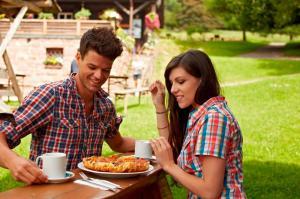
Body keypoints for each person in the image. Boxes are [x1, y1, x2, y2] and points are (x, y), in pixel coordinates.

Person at [0, 27, 135, 184]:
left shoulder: (105, 106)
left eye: (106, 70)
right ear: (78, 57)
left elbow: (118, 143)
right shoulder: (51, 95)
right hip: (47, 192)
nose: (98, 76)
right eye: (92, 67)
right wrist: (12, 160)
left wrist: (152, 145)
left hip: (92, 192)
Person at [149, 50, 246, 198]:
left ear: (202, 80)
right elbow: (169, 150)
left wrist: (169, 166)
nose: (173, 89)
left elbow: (210, 191)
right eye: (171, 83)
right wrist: (160, 107)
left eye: (180, 81)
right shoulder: (199, 114)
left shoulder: (214, 119)